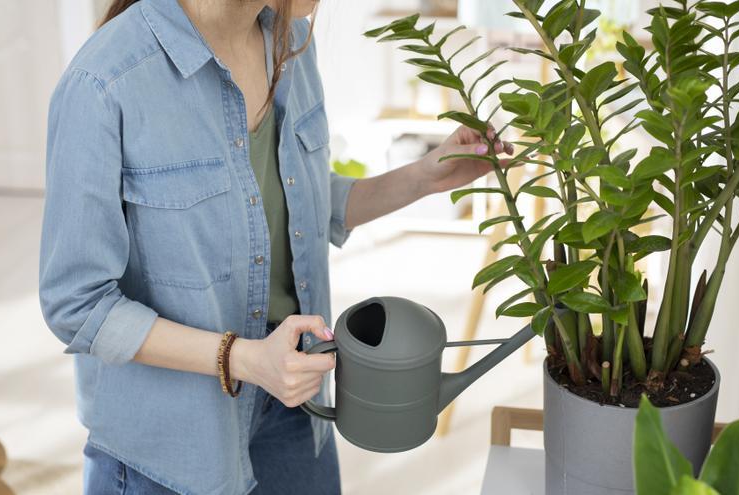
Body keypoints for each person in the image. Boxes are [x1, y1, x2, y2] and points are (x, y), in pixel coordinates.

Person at [38, 0, 512, 493]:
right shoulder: (104, 83)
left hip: (293, 401)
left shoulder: (290, 44)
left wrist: (423, 177)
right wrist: (241, 358)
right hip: (173, 444)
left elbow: (296, 204)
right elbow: (78, 303)